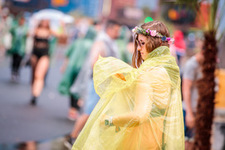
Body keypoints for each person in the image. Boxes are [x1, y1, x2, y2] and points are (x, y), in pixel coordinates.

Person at [72, 20, 184, 149]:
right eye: (138, 43)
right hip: (156, 139)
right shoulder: (164, 72)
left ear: (154, 44)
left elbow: (139, 115)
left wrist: (109, 120)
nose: (138, 48)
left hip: (139, 139)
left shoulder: (146, 75)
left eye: (142, 43)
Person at [65, 20, 121, 147]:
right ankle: (73, 137)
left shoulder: (110, 42)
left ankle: (80, 138)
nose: (118, 33)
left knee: (97, 112)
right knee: (89, 111)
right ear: (109, 29)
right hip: (98, 82)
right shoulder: (101, 41)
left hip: (105, 82)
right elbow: (94, 62)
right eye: (116, 30)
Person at [30, 19, 62, 105]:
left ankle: (35, 95)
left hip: (44, 54)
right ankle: (33, 92)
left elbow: (60, 35)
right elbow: (28, 34)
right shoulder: (36, 30)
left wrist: (61, 26)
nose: (44, 23)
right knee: (33, 75)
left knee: (39, 75)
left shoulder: (50, 31)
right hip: (34, 54)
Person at [182, 47, 204, 146]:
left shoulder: (202, 64)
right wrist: (189, 114)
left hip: (197, 109)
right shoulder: (191, 65)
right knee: (187, 142)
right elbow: (186, 89)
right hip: (188, 110)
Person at [7, 16, 28, 81]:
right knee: (14, 60)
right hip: (14, 46)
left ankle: (17, 71)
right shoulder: (15, 27)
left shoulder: (25, 28)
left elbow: (28, 38)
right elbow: (9, 33)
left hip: (21, 47)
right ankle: (13, 72)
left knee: (19, 60)